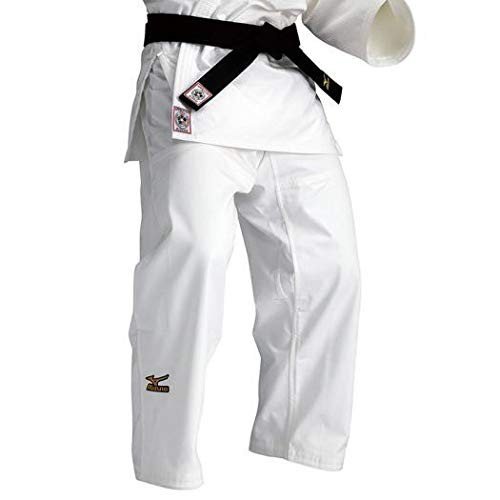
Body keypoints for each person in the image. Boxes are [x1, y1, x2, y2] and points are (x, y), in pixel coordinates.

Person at [125, 0, 414, 490]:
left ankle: (301, 444)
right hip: (191, 71)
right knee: (193, 258)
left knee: (331, 267)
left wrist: (373, 18)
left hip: (283, 85)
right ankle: (165, 457)